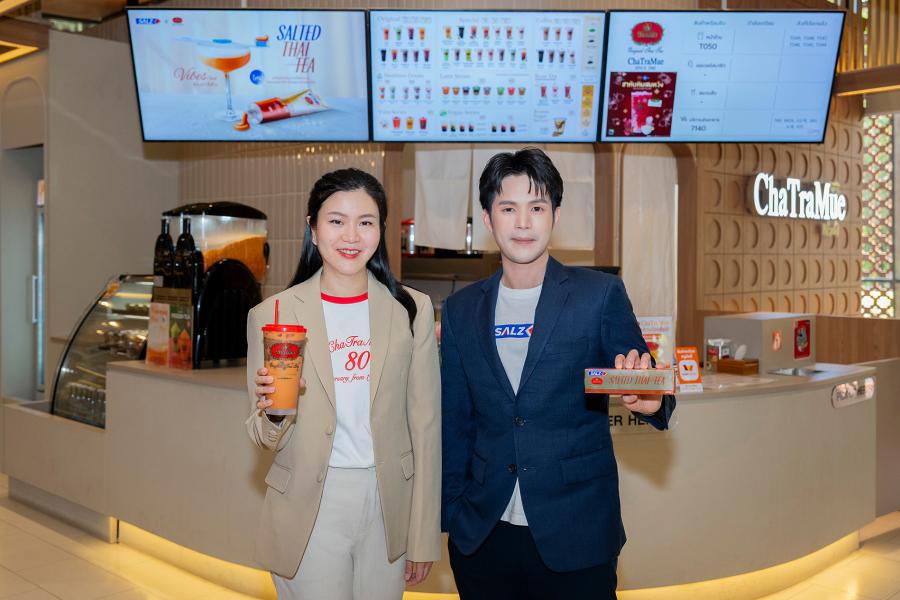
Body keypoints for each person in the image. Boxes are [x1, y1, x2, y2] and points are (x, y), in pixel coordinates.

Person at [440, 148, 676, 600]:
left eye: (537, 208)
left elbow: (648, 382)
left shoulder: (599, 295)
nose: (522, 222)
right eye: (508, 208)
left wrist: (651, 401)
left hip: (577, 530)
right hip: (484, 535)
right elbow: (455, 424)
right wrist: (452, 519)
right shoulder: (460, 310)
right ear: (488, 218)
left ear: (556, 216)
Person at [245, 168, 441, 600]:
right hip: (310, 503)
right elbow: (264, 437)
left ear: (381, 230)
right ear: (313, 229)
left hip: (388, 502)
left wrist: (423, 534)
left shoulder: (411, 309)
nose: (351, 236)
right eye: (336, 221)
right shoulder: (274, 315)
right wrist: (275, 411)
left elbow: (426, 427)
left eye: (365, 222)